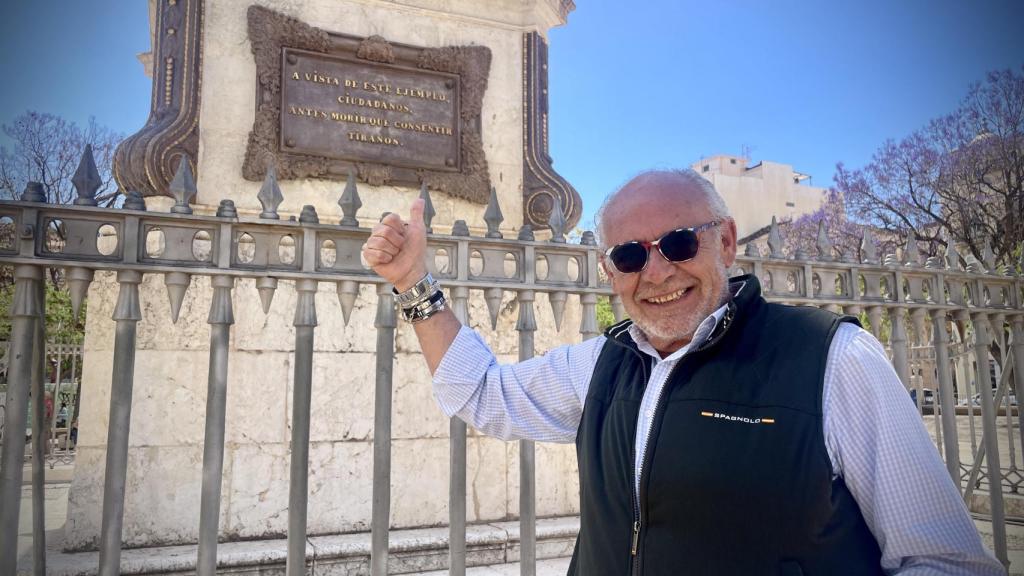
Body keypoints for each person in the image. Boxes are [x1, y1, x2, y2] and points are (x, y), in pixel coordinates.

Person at [362, 169, 1003, 575]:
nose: (658, 271)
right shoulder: (601, 364)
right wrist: (414, 283)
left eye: (677, 243)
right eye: (630, 255)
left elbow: (944, 559)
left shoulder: (832, 358)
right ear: (610, 271)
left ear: (725, 241)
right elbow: (481, 392)